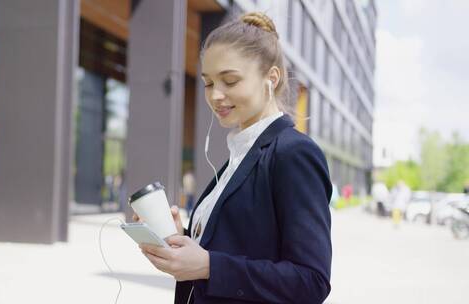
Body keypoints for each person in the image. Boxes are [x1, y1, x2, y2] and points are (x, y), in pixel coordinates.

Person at [133, 12, 332, 303]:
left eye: (230, 80)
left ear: (272, 78)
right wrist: (184, 238)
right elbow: (239, 246)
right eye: (209, 83)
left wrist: (208, 266)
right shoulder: (238, 156)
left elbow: (311, 281)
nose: (215, 95)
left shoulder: (293, 153)